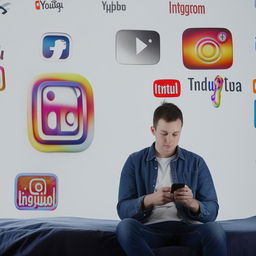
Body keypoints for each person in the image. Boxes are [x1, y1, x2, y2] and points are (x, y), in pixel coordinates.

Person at [116, 102, 227, 256]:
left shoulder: (196, 162)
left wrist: (192, 203)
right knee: (125, 227)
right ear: (153, 130)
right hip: (150, 229)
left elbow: (212, 210)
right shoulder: (134, 161)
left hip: (187, 228)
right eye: (164, 133)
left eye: (175, 134)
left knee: (215, 229)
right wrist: (149, 200)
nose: (169, 140)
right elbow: (122, 209)